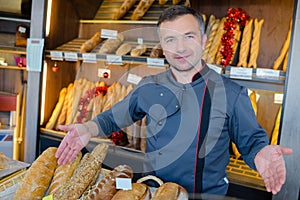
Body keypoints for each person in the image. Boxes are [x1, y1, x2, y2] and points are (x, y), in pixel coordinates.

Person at [55, 5, 292, 197]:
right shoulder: (149, 86)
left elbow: (251, 142)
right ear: (163, 46)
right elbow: (113, 117)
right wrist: (88, 127)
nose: (179, 48)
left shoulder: (232, 93)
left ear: (203, 39)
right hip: (156, 192)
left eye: (188, 37)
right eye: (170, 40)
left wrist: (261, 154)